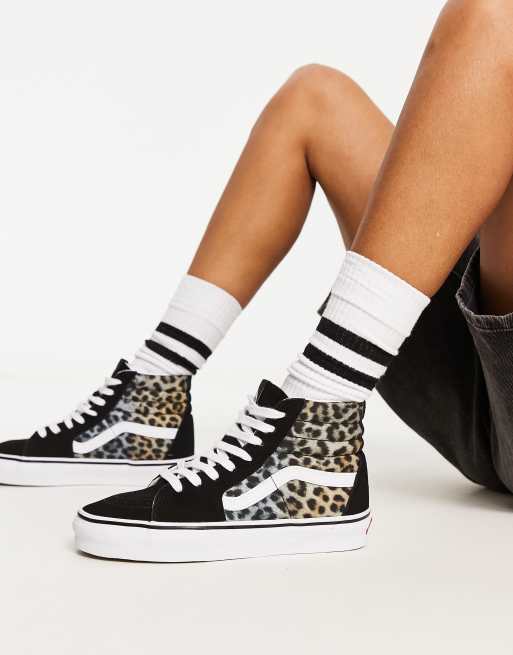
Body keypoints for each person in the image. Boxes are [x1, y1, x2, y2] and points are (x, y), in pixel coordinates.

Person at [4, 0, 513, 560]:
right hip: (475, 375)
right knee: (316, 96)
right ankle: (149, 406)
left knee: (500, 18)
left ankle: (316, 440)